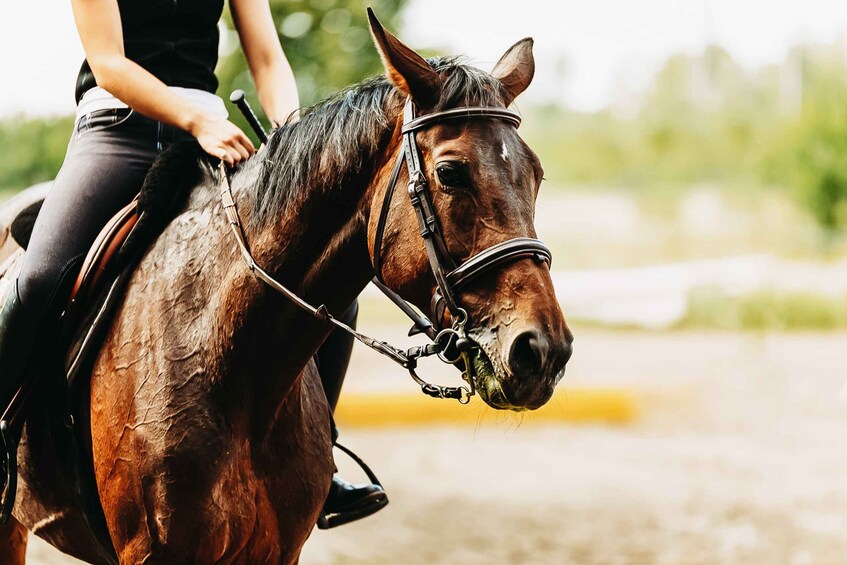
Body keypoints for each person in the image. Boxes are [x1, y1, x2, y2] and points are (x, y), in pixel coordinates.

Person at [0, 0, 386, 528]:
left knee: (328, 280)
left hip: (213, 139)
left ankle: (324, 454)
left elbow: (269, 60)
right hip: (118, 131)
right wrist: (194, 118)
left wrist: (295, 142)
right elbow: (109, 64)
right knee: (41, 277)